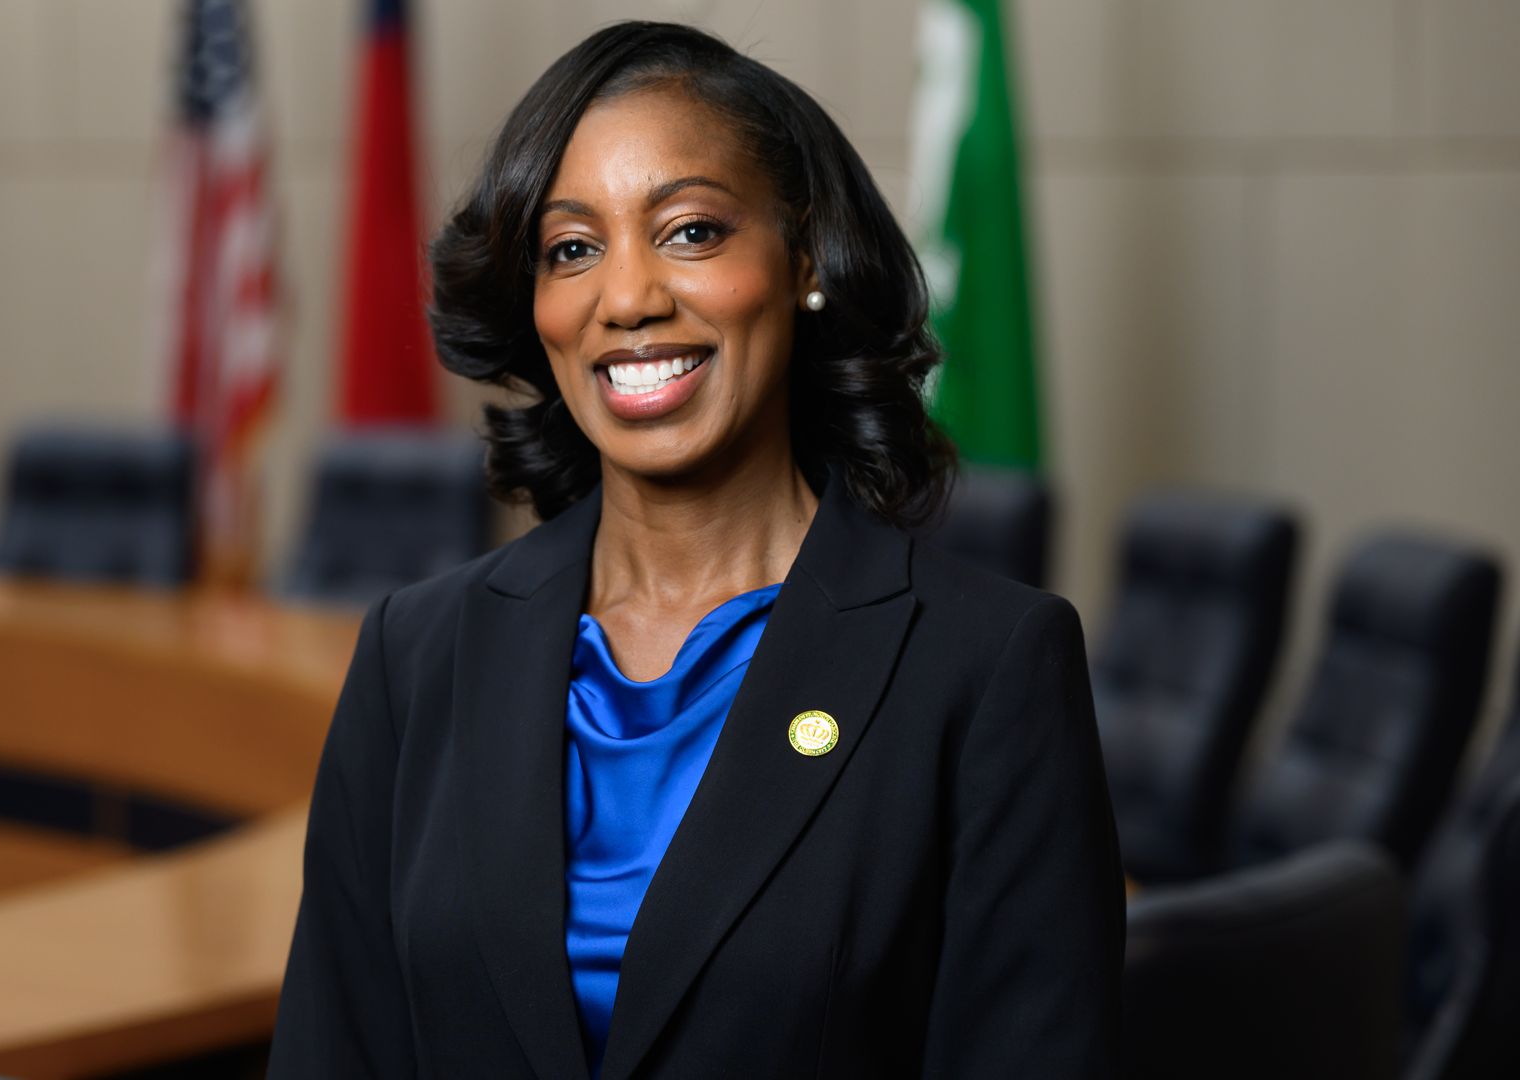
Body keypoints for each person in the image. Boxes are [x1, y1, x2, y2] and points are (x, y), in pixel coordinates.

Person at [269, 20, 1121, 1080]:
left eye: (690, 232)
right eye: (571, 249)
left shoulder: (987, 670)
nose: (627, 299)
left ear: (804, 257)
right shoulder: (416, 655)